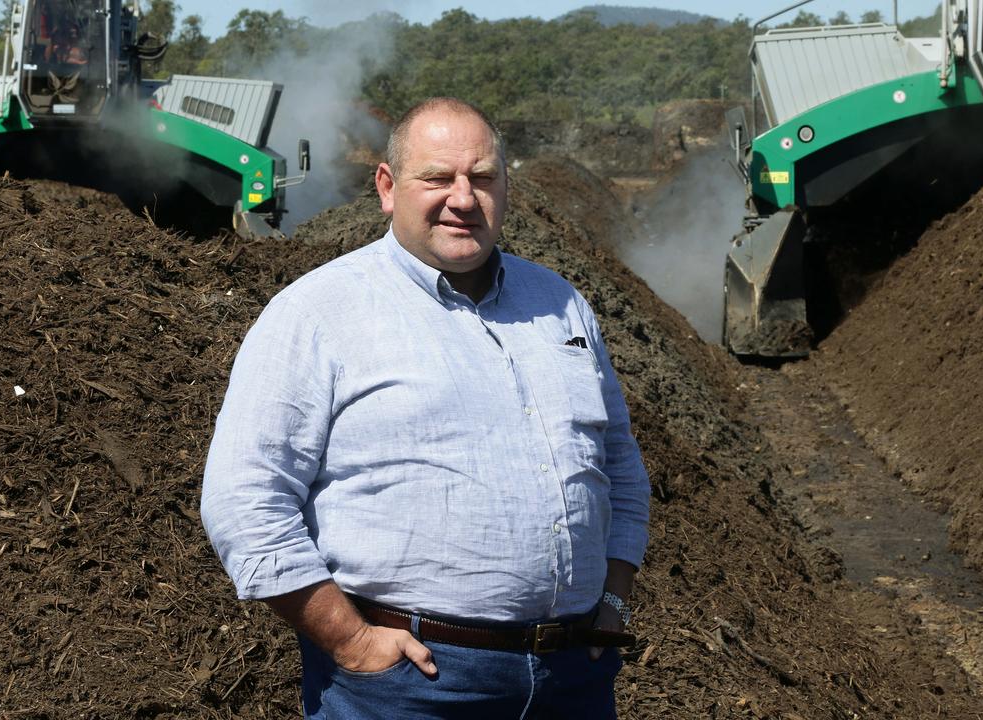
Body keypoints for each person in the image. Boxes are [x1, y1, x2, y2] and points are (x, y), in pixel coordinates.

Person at [201, 97, 651, 719]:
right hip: (411, 685)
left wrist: (616, 599)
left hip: (573, 676)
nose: (463, 198)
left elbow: (620, 464)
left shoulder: (560, 303)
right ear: (387, 188)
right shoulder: (318, 313)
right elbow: (245, 500)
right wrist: (352, 641)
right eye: (437, 178)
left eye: (483, 177)